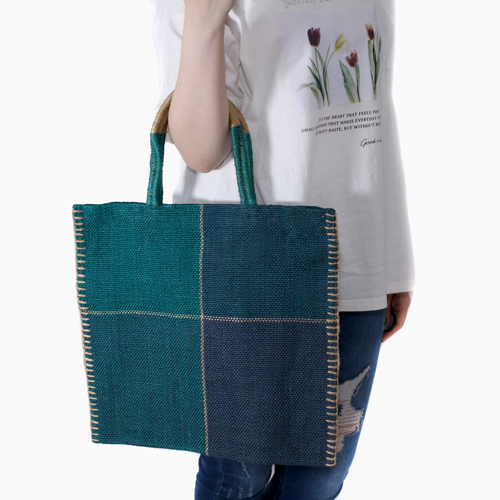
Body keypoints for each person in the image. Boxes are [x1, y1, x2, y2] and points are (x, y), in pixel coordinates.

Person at [149, 0, 415, 498]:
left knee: (321, 478)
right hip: (246, 270)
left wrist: (393, 261)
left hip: (351, 257)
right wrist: (204, 18)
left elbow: (375, 114)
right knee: (239, 475)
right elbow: (200, 152)